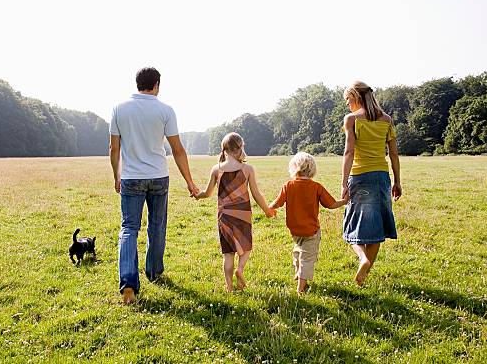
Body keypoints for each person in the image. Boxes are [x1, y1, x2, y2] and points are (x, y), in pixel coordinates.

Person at [109, 67, 200, 304]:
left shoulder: (119, 109)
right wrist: (190, 182)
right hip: (159, 176)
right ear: (157, 84)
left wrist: (116, 175)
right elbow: (178, 150)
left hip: (131, 177)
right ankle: (154, 273)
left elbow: (114, 149)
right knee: (157, 226)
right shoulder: (165, 110)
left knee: (129, 228)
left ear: (137, 83)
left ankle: (128, 285)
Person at [194, 132, 276, 291]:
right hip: (243, 214)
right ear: (240, 148)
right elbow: (256, 194)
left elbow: (208, 193)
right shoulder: (247, 169)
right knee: (246, 247)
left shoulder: (216, 169)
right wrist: (267, 210)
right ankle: (240, 269)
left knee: (228, 254)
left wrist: (198, 195)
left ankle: (229, 287)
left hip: (224, 216)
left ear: (224, 149)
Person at [340, 80, 401, 287]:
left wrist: (343, 183)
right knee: (377, 225)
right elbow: (393, 153)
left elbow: (349, 152)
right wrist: (397, 181)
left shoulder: (351, 119)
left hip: (359, 176)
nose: (348, 104)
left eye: (348, 99)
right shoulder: (387, 120)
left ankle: (362, 259)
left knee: (351, 224)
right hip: (382, 177)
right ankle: (364, 275)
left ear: (356, 97)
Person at [269, 152, 347, 294]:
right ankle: (301, 288)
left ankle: (298, 272)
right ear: (312, 170)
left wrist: (269, 208)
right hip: (311, 231)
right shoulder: (316, 187)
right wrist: (346, 201)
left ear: (293, 168)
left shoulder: (288, 185)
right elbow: (331, 204)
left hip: (294, 230)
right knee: (307, 258)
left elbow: (277, 203)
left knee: (298, 251)